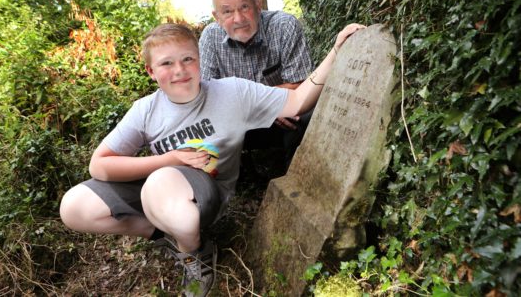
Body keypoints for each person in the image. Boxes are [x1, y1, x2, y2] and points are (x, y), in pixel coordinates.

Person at [59, 22, 364, 297]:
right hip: (161, 187)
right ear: (151, 72)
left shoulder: (232, 93)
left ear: (199, 61)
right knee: (74, 207)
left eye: (187, 59)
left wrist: (336, 51)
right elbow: (99, 164)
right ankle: (160, 234)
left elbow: (298, 101)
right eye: (166, 63)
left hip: (204, 195)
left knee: (162, 183)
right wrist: (168, 159)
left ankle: (196, 253)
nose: (179, 70)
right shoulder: (145, 110)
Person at [199, 0, 314, 174]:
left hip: (281, 119)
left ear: (257, 4)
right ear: (217, 17)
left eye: (245, 7)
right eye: (227, 12)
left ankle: (294, 177)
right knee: (201, 126)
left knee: (305, 115)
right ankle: (222, 181)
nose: (239, 19)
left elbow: (301, 85)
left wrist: (272, 105)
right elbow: (206, 97)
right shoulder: (210, 38)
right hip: (235, 121)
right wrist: (267, 104)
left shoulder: (284, 26)